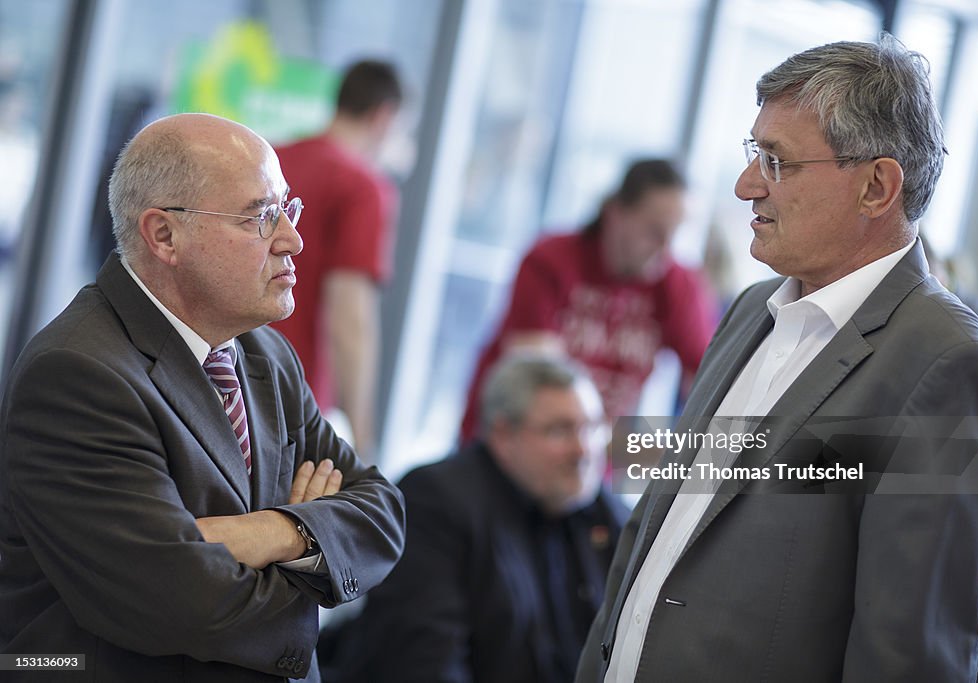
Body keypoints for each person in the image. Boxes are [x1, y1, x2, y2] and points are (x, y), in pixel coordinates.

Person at [576, 35, 978, 682]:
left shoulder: (948, 367)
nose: (745, 185)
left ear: (876, 186)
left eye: (777, 162)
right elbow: (658, 528)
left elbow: (909, 657)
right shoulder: (751, 309)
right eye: (754, 154)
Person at [0, 113, 405, 682]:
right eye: (261, 217)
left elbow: (383, 514)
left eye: (288, 208)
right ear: (164, 235)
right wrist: (314, 553)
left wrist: (270, 531)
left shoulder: (264, 352)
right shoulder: (78, 372)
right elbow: (179, 600)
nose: (293, 239)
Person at [321, 355, 628, 682]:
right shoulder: (435, 500)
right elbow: (424, 665)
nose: (583, 451)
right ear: (503, 434)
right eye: (559, 431)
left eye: (593, 427)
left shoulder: (608, 515)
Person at [460, 159, 718, 442]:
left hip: (588, 453)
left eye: (675, 234)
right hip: (513, 442)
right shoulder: (551, 260)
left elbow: (710, 381)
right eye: (654, 231)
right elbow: (537, 384)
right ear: (615, 213)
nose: (665, 248)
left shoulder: (679, 284)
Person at [272, 59, 403, 461]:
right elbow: (352, 318)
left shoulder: (271, 158)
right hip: (293, 398)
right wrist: (364, 443)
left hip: (227, 370)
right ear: (384, 117)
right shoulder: (363, 187)